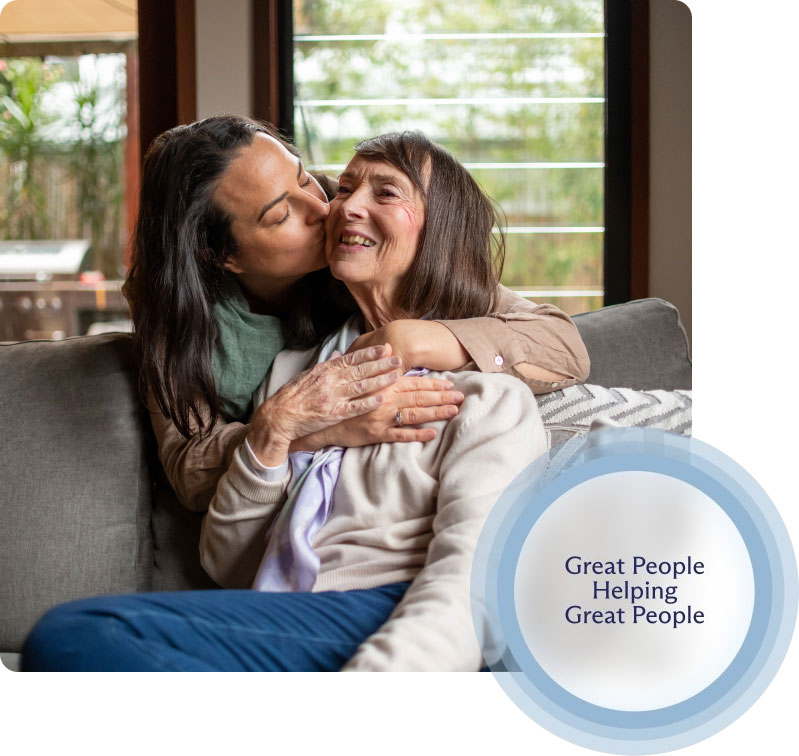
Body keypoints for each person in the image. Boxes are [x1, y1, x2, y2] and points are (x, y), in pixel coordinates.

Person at [22, 131, 554, 671]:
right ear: (222, 257)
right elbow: (229, 560)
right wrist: (281, 429)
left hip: (397, 606)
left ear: (440, 229)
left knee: (78, 635)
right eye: (344, 187)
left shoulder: (489, 396)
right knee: (75, 643)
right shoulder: (291, 377)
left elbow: (473, 585)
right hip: (293, 609)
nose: (335, 207)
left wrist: (406, 340)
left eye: (385, 193)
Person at [119, 115, 587, 513]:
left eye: (303, 178)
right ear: (221, 256)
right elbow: (191, 468)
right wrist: (324, 426)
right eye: (281, 216)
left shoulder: (352, 226)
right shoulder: (176, 311)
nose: (322, 209)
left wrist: (410, 340)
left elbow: (557, 342)